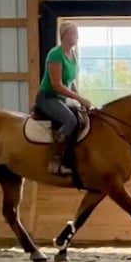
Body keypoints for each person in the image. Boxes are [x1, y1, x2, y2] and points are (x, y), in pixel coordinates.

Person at [36, 22, 92, 175]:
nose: (77, 36)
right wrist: (79, 99)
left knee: (82, 118)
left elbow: (70, 81)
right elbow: (57, 85)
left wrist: (80, 98)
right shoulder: (55, 54)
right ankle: (55, 159)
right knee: (70, 121)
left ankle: (73, 157)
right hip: (48, 97)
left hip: (61, 99)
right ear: (65, 35)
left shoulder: (73, 55)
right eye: (74, 33)